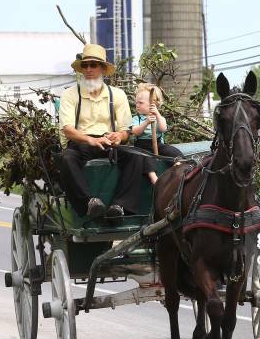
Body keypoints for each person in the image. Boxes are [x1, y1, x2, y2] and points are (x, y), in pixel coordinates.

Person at [58, 43, 143, 218]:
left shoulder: (117, 95)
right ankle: (89, 203)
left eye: (93, 65)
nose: (88, 69)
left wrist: (119, 136)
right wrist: (91, 140)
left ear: (103, 69)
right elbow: (67, 130)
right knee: (66, 158)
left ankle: (120, 206)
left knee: (136, 156)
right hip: (81, 144)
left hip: (109, 144)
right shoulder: (70, 94)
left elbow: (126, 131)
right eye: (85, 65)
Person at [131, 83, 183, 184]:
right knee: (146, 158)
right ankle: (154, 179)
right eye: (136, 102)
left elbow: (163, 129)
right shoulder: (136, 119)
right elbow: (136, 132)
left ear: (153, 105)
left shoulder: (159, 117)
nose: (137, 105)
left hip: (158, 144)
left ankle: (178, 168)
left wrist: (157, 114)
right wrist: (146, 123)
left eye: (140, 103)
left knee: (172, 151)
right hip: (142, 146)